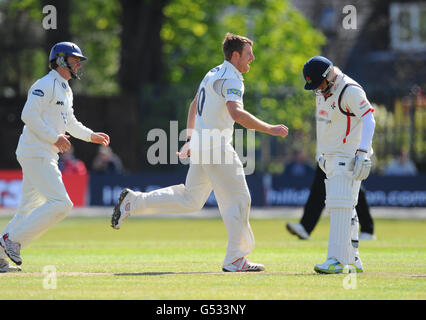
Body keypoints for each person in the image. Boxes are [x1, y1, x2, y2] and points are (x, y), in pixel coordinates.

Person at [110, 33, 289, 272]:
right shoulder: (232, 79)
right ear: (235, 56)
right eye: (248, 55)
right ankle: (236, 259)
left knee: (190, 200)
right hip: (216, 147)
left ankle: (134, 201)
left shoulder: (213, 72)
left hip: (204, 145)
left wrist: (191, 137)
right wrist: (270, 128)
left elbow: (194, 103)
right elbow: (236, 114)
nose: (252, 59)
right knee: (240, 200)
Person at [0, 42, 110, 272]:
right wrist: (55, 137)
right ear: (60, 60)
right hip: (36, 152)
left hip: (42, 153)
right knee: (62, 203)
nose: (79, 64)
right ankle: (13, 241)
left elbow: (70, 122)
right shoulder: (46, 84)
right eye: (74, 59)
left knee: (27, 210)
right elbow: (28, 114)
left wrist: (91, 136)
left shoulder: (65, 89)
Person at [301, 56, 376, 274]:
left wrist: (363, 151)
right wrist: (321, 154)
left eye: (320, 84)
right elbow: (324, 124)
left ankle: (337, 261)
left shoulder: (349, 90)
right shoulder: (323, 91)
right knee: (344, 207)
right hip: (331, 157)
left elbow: (369, 118)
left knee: (340, 206)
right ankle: (353, 260)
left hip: (348, 156)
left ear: (329, 75)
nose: (319, 90)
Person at [286, 164, 376, 241]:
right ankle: (305, 226)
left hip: (345, 150)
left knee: (352, 185)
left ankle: (367, 228)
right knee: (321, 183)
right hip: (330, 150)